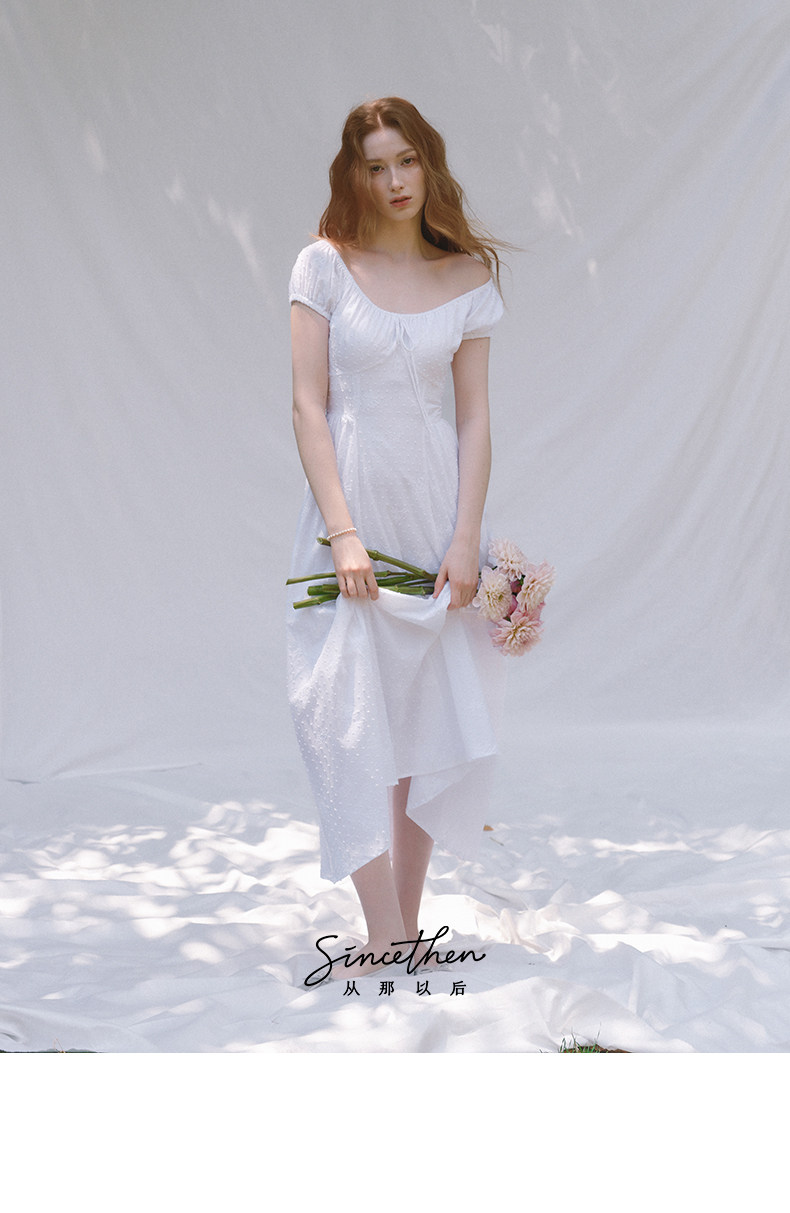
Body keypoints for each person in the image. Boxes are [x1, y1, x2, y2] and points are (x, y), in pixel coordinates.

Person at [288, 97, 508, 978]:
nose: (394, 181)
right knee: (340, 718)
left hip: (432, 523)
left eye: (406, 160)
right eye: (375, 166)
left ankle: (401, 932)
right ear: (355, 175)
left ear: (429, 162)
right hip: (348, 524)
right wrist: (342, 534)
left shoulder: (468, 278)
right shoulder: (323, 266)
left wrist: (465, 537)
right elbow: (307, 405)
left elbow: (475, 417)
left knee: (422, 725)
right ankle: (382, 929)